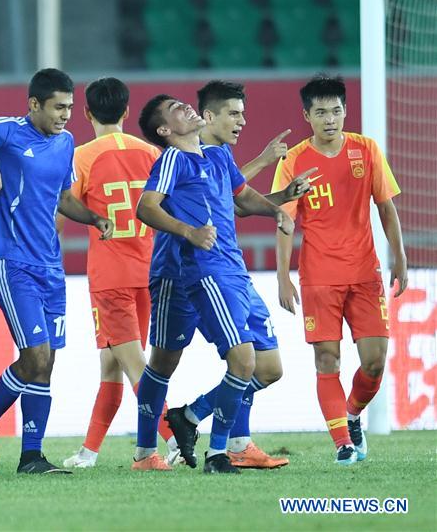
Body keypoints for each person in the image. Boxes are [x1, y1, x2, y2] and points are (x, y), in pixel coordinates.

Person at [133, 94, 295, 473]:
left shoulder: (218, 156)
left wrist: (277, 207)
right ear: (164, 130)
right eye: (176, 108)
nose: (185, 107)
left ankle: (194, 418)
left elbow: (238, 199)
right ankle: (155, 453)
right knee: (166, 361)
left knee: (264, 366)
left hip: (230, 269)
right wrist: (188, 231)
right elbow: (146, 206)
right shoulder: (173, 159)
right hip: (182, 271)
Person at [0, 68, 114, 474]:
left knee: (44, 363)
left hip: (51, 266)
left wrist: (93, 219)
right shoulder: (7, 132)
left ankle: (22, 449)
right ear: (34, 105)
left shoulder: (65, 143)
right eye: (57, 107)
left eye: (69, 107)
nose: (66, 115)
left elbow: (63, 195)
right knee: (35, 355)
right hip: (13, 263)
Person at [273, 74, 407, 465]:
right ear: (307, 116)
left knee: (375, 361)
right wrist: (283, 276)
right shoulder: (294, 159)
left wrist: (399, 255)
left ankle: (350, 415)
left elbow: (385, 206)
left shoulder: (366, 150)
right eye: (321, 112)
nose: (330, 118)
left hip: (366, 272)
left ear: (345, 111)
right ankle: (342, 444)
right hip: (319, 275)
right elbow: (284, 218)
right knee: (327, 359)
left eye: (336, 110)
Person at [57, 78, 179, 470]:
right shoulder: (153, 153)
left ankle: (175, 437)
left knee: (133, 366)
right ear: (127, 112)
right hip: (152, 270)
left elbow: (64, 210)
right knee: (111, 364)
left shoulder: (81, 157)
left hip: (111, 275)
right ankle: (89, 452)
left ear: (87, 113)